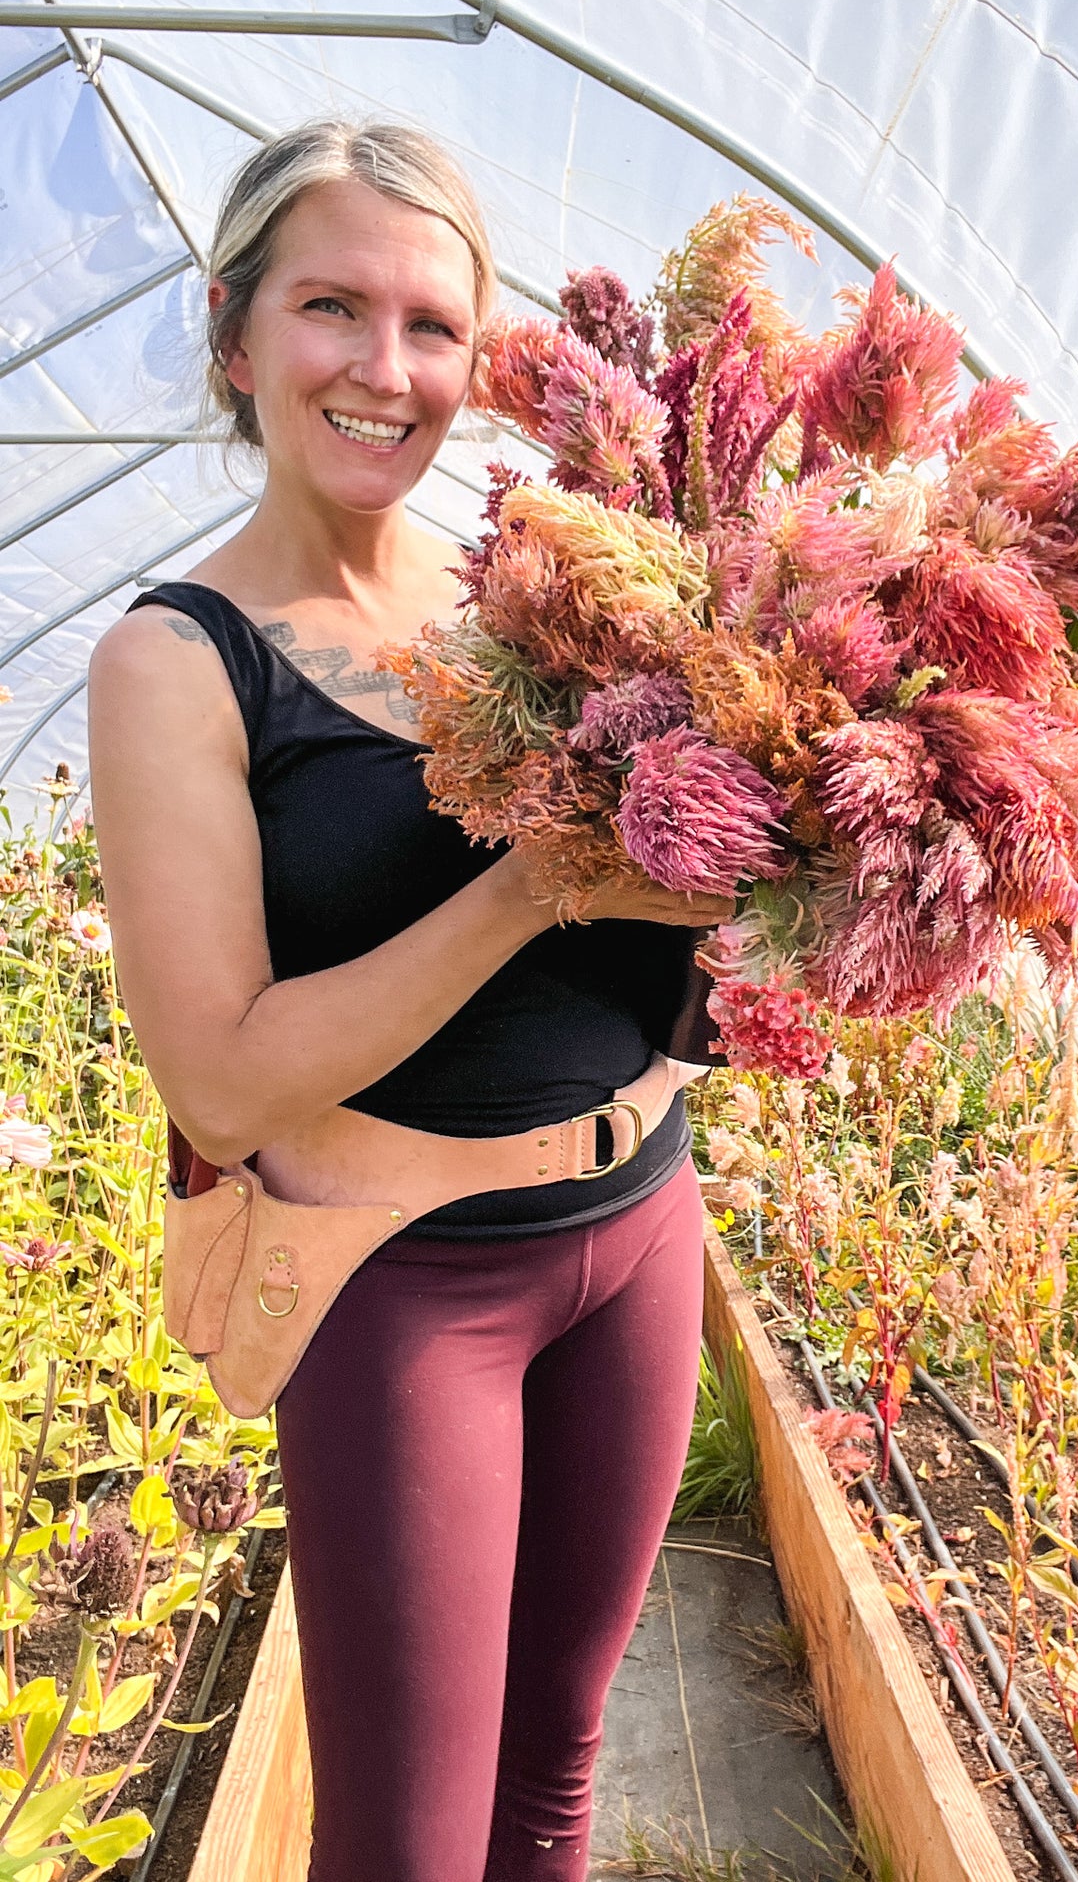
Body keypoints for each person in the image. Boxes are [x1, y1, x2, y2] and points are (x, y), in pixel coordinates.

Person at [87, 118, 734, 1882]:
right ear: (234, 334)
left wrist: (771, 912)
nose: (386, 370)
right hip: (403, 1287)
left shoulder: (530, 602)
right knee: (406, 1848)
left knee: (555, 1778)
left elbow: (662, 951)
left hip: (642, 1230)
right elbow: (221, 1088)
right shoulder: (178, 658)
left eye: (432, 326)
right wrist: (531, 883)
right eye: (330, 310)